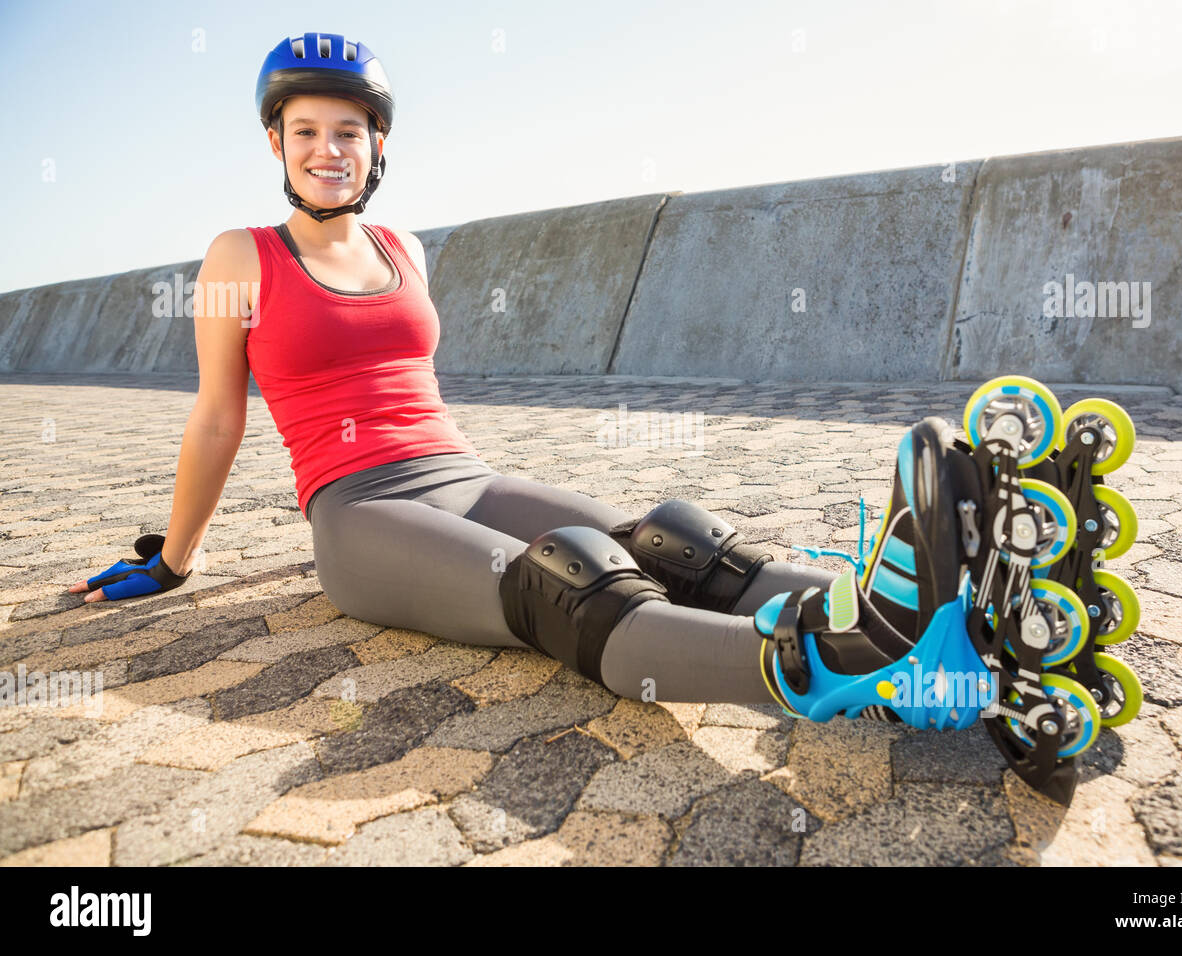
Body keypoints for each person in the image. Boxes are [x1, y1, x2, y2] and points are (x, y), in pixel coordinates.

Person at [66, 31, 848, 708]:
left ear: (378, 144)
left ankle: (911, 611)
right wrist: (175, 557)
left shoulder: (401, 248)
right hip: (359, 508)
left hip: (468, 477)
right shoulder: (241, 254)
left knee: (675, 550)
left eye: (349, 130)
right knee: (573, 593)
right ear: (275, 142)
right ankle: (860, 671)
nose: (327, 150)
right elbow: (216, 415)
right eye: (304, 131)